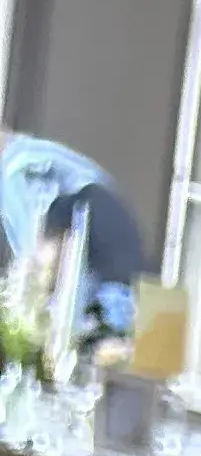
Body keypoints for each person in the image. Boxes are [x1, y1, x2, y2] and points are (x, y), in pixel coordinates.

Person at [0, 135, 149, 338]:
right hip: (113, 273)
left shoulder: (17, 174)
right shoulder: (26, 160)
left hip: (107, 278)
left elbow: (46, 253)